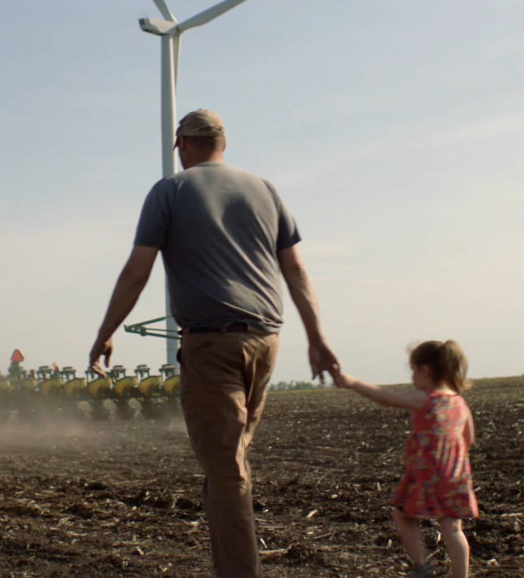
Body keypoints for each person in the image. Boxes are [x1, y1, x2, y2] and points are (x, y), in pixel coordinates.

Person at [89, 109, 340, 578]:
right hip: (266, 341)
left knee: (226, 472)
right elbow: (297, 270)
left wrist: (104, 334)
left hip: (212, 345)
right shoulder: (265, 189)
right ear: (223, 142)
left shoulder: (170, 191)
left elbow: (136, 271)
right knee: (231, 460)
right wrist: (317, 338)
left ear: (182, 142)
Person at [334, 341, 477, 578]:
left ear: (426, 371)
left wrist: (353, 383)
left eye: (413, 370)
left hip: (426, 472)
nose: (412, 377)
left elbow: (386, 397)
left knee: (401, 514)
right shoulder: (459, 402)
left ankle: (422, 566)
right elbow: (468, 438)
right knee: (452, 528)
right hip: (456, 474)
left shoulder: (425, 398)